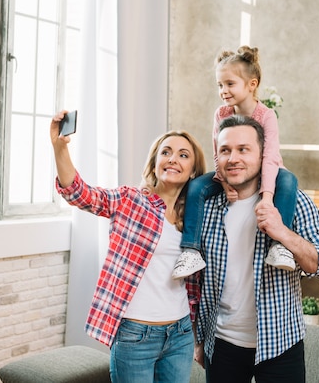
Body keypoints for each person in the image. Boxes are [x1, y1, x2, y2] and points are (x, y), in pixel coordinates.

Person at [50, 110, 207, 383]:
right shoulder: (130, 201)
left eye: (183, 155)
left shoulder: (196, 217)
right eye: (166, 152)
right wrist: (59, 147)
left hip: (180, 333)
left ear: (193, 169)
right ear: (155, 161)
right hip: (135, 334)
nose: (173, 159)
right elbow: (79, 193)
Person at [186, 115, 319, 382]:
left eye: (243, 149)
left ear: (263, 155)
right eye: (225, 150)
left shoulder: (293, 200)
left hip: (280, 344)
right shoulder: (205, 206)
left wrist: (282, 232)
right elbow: (194, 281)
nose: (233, 158)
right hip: (220, 345)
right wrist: (199, 340)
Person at [173, 46, 299, 279]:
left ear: (252, 84)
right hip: (231, 172)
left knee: (289, 180)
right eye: (220, 85)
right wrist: (223, 182)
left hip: (267, 171)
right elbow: (217, 152)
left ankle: (279, 245)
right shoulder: (221, 114)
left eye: (230, 84)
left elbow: (270, 156)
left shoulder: (266, 115)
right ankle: (190, 249)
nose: (223, 90)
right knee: (197, 186)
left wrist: (267, 196)